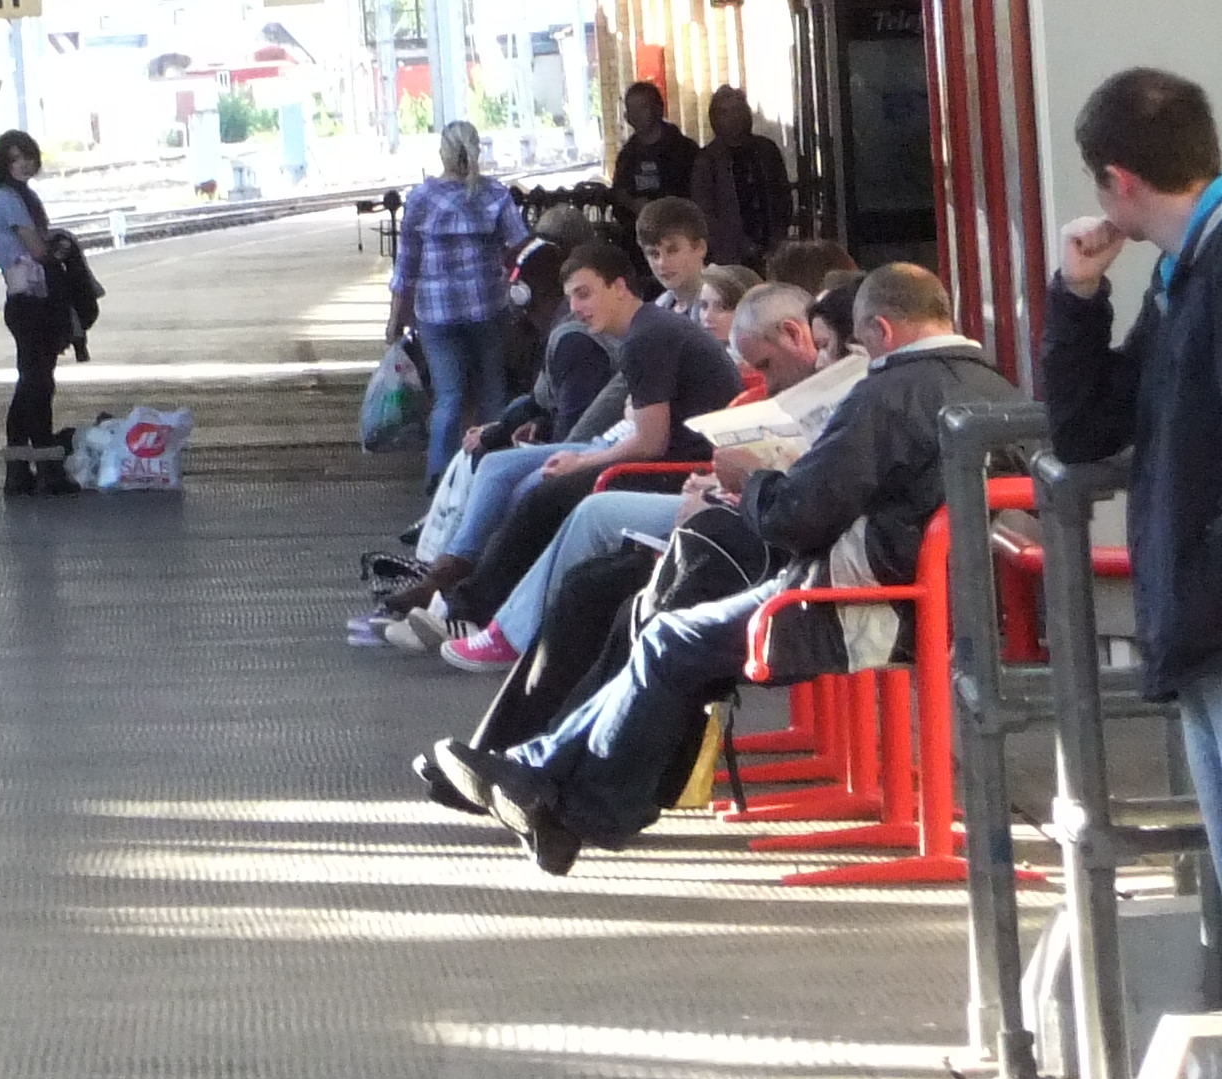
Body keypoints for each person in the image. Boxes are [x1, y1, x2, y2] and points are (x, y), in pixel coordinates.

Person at [432, 262, 1018, 872]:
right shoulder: (998, 390)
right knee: (667, 629)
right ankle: (543, 780)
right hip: (949, 604)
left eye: (862, 344)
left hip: (860, 604)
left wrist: (751, 480)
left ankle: (577, 811)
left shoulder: (888, 394)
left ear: (883, 331)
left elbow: (797, 517)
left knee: (667, 634)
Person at [371, 231, 741, 645]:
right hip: (667, 456)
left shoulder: (647, 339)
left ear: (619, 287)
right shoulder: (650, 330)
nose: (577, 309)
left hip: (672, 468)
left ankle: (469, 612)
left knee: (544, 497)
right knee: (500, 465)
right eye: (572, 298)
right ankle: (449, 583)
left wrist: (580, 462)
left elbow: (650, 443)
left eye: (586, 294)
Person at [1041, 67, 1222, 903]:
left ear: (1119, 180)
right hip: (1195, 609)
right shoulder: (1182, 271)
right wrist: (1079, 297)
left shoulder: (1203, 271)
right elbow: (1087, 428)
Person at [460, 285, 834, 666]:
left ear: (794, 333)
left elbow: (805, 489)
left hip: (754, 521)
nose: (765, 381)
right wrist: (716, 482)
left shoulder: (655, 337)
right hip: (733, 502)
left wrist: (729, 485)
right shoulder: (670, 340)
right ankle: (505, 626)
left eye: (766, 365)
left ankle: (507, 631)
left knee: (585, 516)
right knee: (577, 524)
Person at [390, 121, 530, 480]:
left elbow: (406, 265)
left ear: (442, 153)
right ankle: (494, 471)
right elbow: (520, 249)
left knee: (448, 398)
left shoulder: (421, 198)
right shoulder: (495, 194)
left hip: (437, 315)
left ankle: (439, 479)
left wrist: (396, 318)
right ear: (477, 151)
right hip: (488, 309)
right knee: (493, 391)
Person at [0, 129, 78, 498]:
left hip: (30, 301)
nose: (23, 163)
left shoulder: (19, 195)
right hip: (29, 303)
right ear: (2, 165)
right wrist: (60, 246)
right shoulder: (9, 200)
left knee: (35, 383)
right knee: (36, 384)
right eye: (14, 158)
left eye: (27, 156)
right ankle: (40, 469)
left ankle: (26, 469)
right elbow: (38, 249)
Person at [696, 85, 795, 269]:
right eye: (725, 112)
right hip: (730, 258)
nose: (733, 118)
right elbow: (705, 212)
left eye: (737, 110)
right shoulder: (707, 160)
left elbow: (783, 197)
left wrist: (778, 237)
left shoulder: (766, 150)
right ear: (714, 118)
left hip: (772, 251)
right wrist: (740, 245)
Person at [611, 79, 698, 216]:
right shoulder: (627, 156)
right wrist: (632, 204)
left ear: (658, 108)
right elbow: (619, 194)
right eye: (631, 109)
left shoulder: (685, 150)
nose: (636, 115)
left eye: (642, 107)